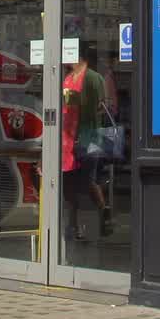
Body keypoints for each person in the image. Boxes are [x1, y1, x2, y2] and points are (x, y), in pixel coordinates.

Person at [59, 47, 108, 243]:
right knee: (69, 183)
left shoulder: (93, 78)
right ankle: (72, 226)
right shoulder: (68, 77)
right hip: (68, 137)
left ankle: (103, 214)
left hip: (88, 136)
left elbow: (99, 107)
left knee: (87, 181)